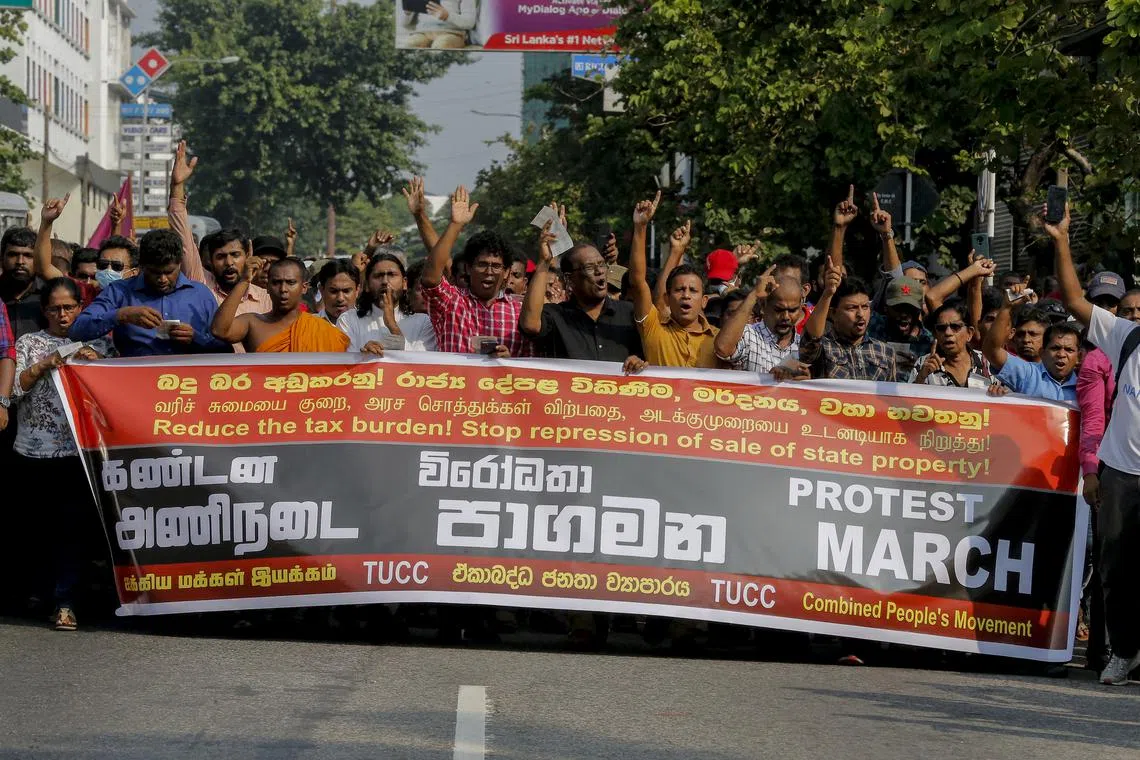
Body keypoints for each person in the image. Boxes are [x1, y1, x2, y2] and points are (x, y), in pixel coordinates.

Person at [1050, 203, 1140, 685]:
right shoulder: (1127, 337)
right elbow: (1074, 299)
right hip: (1121, 475)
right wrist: (1062, 241)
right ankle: (1123, 653)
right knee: (1115, 571)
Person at [13, 278, 110, 631]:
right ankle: (39, 592)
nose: (62, 314)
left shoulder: (98, 343)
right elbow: (11, 389)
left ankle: (66, 602)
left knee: (72, 529)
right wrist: (43, 365)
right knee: (38, 529)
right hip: (33, 453)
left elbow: (118, 397)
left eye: (69, 307)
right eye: (55, 308)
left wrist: (96, 364)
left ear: (80, 308)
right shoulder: (29, 343)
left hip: (78, 454)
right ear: (44, 311)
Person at [69, 229, 230, 356]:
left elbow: (226, 349)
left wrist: (196, 338)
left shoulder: (201, 295)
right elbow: (78, 330)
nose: (162, 279)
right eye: (154, 272)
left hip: (188, 386)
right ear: (142, 266)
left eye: (169, 272)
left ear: (180, 263)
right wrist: (121, 315)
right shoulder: (119, 292)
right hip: (134, 384)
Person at [420, 185, 532, 357]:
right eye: (482, 264)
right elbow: (430, 279)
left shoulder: (520, 312)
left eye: (496, 266)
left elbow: (532, 367)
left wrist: (510, 361)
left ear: (507, 272)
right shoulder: (451, 302)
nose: (489, 272)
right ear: (468, 268)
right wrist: (456, 225)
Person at [519, 221, 644, 371]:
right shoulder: (557, 316)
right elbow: (530, 324)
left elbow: (649, 357)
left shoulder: (629, 313)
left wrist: (639, 361)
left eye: (601, 264)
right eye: (589, 267)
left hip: (619, 393)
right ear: (569, 279)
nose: (599, 271)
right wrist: (544, 262)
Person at [628, 192, 719, 368]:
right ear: (667, 298)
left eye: (693, 291)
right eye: (679, 290)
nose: (686, 295)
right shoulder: (653, 327)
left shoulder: (719, 341)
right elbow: (638, 282)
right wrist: (640, 227)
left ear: (704, 300)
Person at [212, 257, 350, 353]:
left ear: (304, 287)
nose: (283, 289)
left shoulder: (322, 329)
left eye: (290, 283)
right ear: (267, 286)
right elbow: (219, 331)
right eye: (276, 283)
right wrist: (244, 281)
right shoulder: (253, 322)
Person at [796, 257, 898, 382]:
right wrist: (828, 293)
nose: (860, 314)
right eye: (852, 308)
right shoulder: (822, 349)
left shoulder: (885, 352)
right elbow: (812, 337)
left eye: (865, 307)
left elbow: (892, 397)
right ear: (833, 313)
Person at [982, 284, 1079, 401]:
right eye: (1055, 348)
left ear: (1079, 357)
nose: (1061, 354)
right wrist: (1006, 307)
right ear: (1042, 352)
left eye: (1069, 350)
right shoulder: (1028, 374)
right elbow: (992, 351)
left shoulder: (1087, 385)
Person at [337, 252, 437, 352]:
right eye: (378, 276)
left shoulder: (423, 322)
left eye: (391, 275)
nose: (385, 281)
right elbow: (345, 363)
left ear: (404, 283)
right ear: (366, 285)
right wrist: (363, 356)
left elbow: (422, 364)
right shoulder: (349, 320)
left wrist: (393, 326)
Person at [715, 270, 802, 374]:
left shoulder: (803, 346)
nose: (786, 317)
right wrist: (754, 294)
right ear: (763, 305)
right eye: (779, 310)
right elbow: (722, 348)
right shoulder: (748, 335)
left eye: (792, 310)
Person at [909, 301, 992, 388]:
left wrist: (998, 392)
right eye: (941, 328)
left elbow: (1004, 396)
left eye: (955, 327)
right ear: (935, 334)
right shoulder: (923, 364)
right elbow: (910, 398)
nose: (948, 333)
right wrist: (921, 377)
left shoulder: (987, 364)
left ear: (969, 333)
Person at [867, 277, 934, 379]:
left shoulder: (928, 342)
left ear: (919, 310)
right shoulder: (872, 327)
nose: (904, 314)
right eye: (898, 308)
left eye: (910, 309)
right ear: (886, 308)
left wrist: (918, 369)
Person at [1, 226, 45, 339]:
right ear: (2, 258)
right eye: (13, 255)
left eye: (28, 255)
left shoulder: (49, 295)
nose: (20, 262)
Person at [401, 0, 476, 49]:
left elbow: (470, 23)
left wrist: (448, 16)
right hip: (423, 33)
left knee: (441, 45)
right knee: (410, 44)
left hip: (452, 33)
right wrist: (407, 13)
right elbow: (404, 24)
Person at [315, 259, 360, 324]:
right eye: (333, 291)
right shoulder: (308, 326)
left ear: (357, 290)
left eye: (346, 291)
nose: (340, 298)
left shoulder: (369, 325)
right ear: (322, 290)